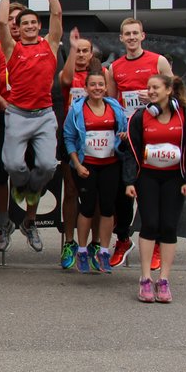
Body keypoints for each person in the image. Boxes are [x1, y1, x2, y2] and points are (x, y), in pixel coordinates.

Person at [0, 0, 63, 253]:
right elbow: (1, 23)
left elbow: (57, 12)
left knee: (48, 165)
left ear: (39, 26)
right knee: (13, 165)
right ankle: (23, 190)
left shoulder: (49, 45)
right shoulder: (12, 49)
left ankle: (27, 211)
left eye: (34, 23)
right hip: (17, 115)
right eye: (25, 23)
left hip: (45, 116)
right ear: (18, 28)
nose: (31, 26)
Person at [107, 17, 174, 269]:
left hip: (155, 135)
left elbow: (175, 91)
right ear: (121, 38)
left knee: (151, 193)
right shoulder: (115, 67)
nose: (132, 38)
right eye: (127, 34)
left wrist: (155, 97)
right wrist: (120, 130)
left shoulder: (158, 61)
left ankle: (155, 242)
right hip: (128, 137)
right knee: (123, 191)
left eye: (136, 33)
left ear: (143, 36)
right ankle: (123, 239)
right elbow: (113, 104)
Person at [121, 74, 186, 303]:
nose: (151, 91)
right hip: (148, 178)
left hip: (174, 178)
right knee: (150, 224)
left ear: (169, 90)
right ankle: (145, 279)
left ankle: (163, 280)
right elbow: (131, 152)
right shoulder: (140, 117)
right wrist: (130, 181)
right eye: (149, 88)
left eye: (155, 88)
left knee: (169, 227)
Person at [64, 61, 127, 274]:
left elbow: (124, 130)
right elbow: (69, 138)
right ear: (86, 87)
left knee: (108, 208)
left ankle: (103, 251)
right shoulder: (77, 109)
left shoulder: (115, 107)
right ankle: (82, 250)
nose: (97, 88)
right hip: (87, 166)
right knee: (88, 207)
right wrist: (77, 163)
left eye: (101, 84)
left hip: (110, 165)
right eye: (93, 85)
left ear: (106, 86)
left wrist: (123, 137)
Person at [57, 30, 110, 269]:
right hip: (72, 141)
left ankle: (96, 243)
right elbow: (66, 81)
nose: (80, 54)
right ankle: (69, 241)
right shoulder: (68, 72)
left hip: (100, 141)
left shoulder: (102, 75)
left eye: (84, 50)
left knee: (98, 196)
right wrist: (71, 46)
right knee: (70, 192)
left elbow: (113, 102)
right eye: (77, 50)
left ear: (91, 54)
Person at [0, 2, 25, 252]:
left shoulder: (36, 45)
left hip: (29, 116)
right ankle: (3, 221)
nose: (13, 23)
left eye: (18, 19)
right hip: (5, 113)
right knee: (0, 173)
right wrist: (1, 102)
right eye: (10, 19)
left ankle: (29, 220)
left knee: (28, 171)